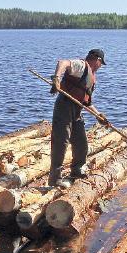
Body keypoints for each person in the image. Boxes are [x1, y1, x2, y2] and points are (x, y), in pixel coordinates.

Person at [48, 48, 109, 187]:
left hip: (77, 110)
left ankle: (77, 170)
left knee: (81, 142)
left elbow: (86, 103)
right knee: (61, 142)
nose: (100, 67)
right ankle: (55, 179)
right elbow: (63, 63)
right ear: (98, 60)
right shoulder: (81, 66)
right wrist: (56, 78)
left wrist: (98, 115)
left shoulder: (91, 77)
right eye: (101, 63)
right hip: (64, 106)